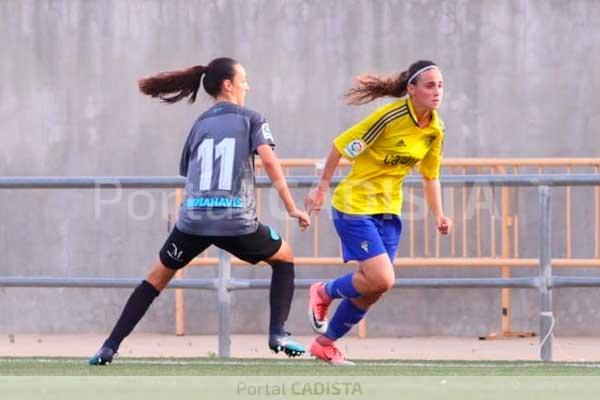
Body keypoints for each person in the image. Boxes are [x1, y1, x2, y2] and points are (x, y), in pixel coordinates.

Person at [89, 57, 311, 365]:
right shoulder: (252, 118)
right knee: (284, 258)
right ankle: (277, 333)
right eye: (244, 80)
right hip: (236, 222)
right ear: (228, 84)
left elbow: (188, 171)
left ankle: (109, 346)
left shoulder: (200, 124)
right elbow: (270, 161)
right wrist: (291, 207)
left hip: (192, 220)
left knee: (155, 279)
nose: (248, 86)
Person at [304, 60, 453, 365]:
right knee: (383, 278)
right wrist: (321, 187)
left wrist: (439, 214)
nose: (437, 91)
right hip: (354, 205)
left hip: (388, 210)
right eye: (429, 85)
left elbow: (430, 175)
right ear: (411, 89)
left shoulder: (435, 129)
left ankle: (325, 344)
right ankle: (324, 291)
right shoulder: (389, 117)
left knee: (373, 288)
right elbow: (341, 146)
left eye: (440, 85)